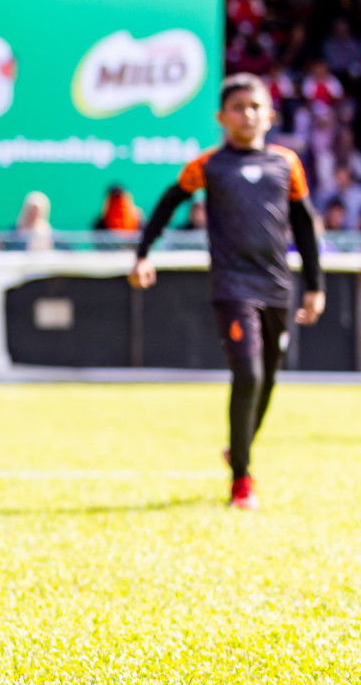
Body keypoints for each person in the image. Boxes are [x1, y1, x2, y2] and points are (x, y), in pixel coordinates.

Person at [131, 73, 324, 511]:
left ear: (270, 115)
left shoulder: (286, 164)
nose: (247, 115)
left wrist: (315, 286)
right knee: (249, 375)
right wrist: (144, 253)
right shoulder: (209, 165)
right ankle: (242, 480)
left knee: (269, 379)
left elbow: (305, 226)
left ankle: (238, 449)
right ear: (222, 117)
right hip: (232, 287)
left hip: (278, 287)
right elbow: (167, 202)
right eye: (238, 107)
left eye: (256, 107)